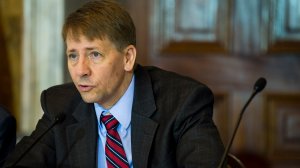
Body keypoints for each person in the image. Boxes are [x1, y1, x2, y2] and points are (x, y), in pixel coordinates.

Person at [4, 0, 224, 167]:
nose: (81, 70)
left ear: (128, 58)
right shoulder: (60, 106)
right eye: (73, 56)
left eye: (95, 54)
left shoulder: (183, 103)